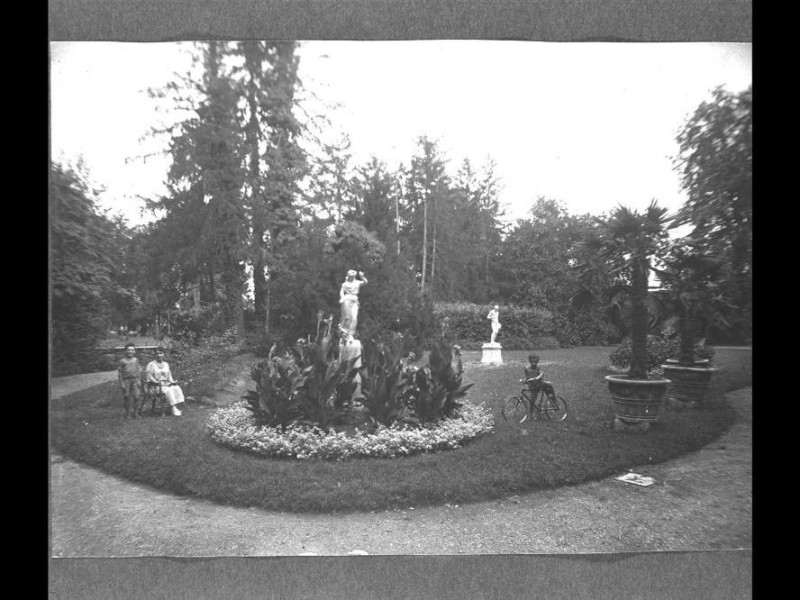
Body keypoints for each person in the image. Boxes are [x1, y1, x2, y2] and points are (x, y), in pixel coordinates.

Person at [145, 347, 186, 416]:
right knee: (168, 390)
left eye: (160, 353)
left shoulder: (166, 364)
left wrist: (172, 381)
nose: (159, 355)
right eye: (157, 353)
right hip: (155, 386)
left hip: (166, 384)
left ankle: (178, 406)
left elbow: (169, 376)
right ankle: (173, 408)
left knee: (177, 388)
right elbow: (150, 377)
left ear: (163, 354)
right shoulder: (151, 365)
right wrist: (157, 382)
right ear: (154, 355)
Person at [118, 342, 143, 418]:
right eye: (128, 350)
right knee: (127, 397)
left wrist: (139, 380)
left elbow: (138, 370)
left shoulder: (136, 360)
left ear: (134, 351)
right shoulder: (122, 361)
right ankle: (128, 414)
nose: (130, 352)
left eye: (132, 350)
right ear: (125, 351)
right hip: (126, 381)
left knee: (137, 397)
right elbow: (119, 373)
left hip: (135, 380)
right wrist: (122, 383)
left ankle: (136, 413)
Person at [339, 269, 368, 335]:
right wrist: (342, 298)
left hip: (355, 300)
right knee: (347, 317)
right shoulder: (345, 284)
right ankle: (344, 332)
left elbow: (365, 282)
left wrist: (362, 277)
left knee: (354, 318)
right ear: (348, 276)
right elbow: (341, 292)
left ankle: (351, 334)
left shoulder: (357, 282)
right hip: (347, 299)